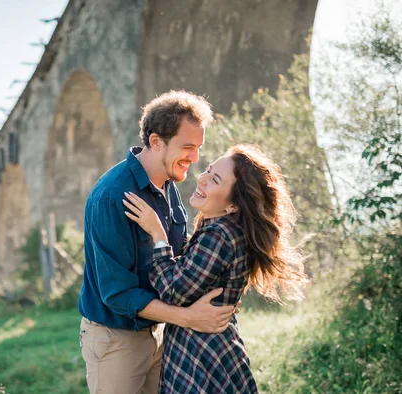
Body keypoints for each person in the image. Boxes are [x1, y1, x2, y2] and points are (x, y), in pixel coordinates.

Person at [78, 90, 238, 393]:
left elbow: (176, 256)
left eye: (198, 147)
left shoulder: (167, 182)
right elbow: (118, 293)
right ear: (155, 142)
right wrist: (188, 318)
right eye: (187, 147)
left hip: (162, 331)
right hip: (116, 340)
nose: (195, 158)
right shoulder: (112, 196)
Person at [123, 144, 310, 393]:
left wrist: (157, 234)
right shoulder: (222, 229)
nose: (202, 178)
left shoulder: (220, 234)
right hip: (210, 349)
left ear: (233, 205)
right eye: (209, 170)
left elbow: (172, 291)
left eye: (215, 179)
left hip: (200, 355)